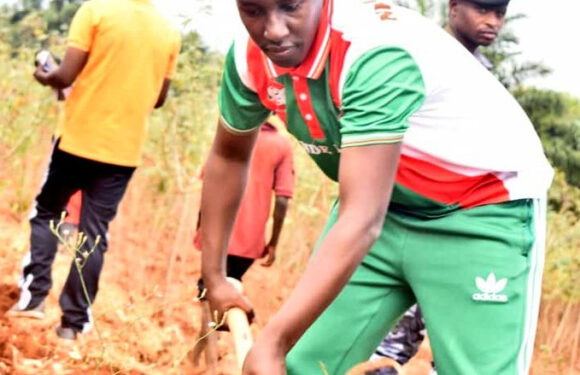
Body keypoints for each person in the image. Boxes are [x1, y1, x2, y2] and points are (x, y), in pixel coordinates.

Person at [199, 1, 553, 375]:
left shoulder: (374, 52)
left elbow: (361, 220)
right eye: (253, 10)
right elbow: (229, 157)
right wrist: (216, 278)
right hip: (380, 207)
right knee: (305, 366)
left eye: (291, 6)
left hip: (481, 210)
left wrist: (271, 341)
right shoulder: (248, 60)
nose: (273, 30)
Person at [7, 0, 181, 341]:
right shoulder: (168, 31)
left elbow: (65, 75)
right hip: (124, 152)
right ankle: (72, 324)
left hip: (77, 140)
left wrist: (44, 74)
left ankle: (33, 300)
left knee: (46, 213)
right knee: (94, 235)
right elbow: (159, 98)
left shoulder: (96, 11)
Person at [371, 0, 511, 373]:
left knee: (456, 335)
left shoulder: (487, 78)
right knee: (384, 340)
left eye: (499, 13)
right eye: (483, 9)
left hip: (464, 219)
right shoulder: (418, 53)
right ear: (453, 8)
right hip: (403, 213)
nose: (492, 21)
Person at [194, 121, 295, 283]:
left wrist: (201, 224)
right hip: (251, 237)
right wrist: (273, 243)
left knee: (209, 285)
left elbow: (210, 182)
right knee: (231, 283)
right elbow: (282, 200)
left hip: (216, 229)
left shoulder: (230, 134)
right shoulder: (282, 145)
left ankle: (209, 303)